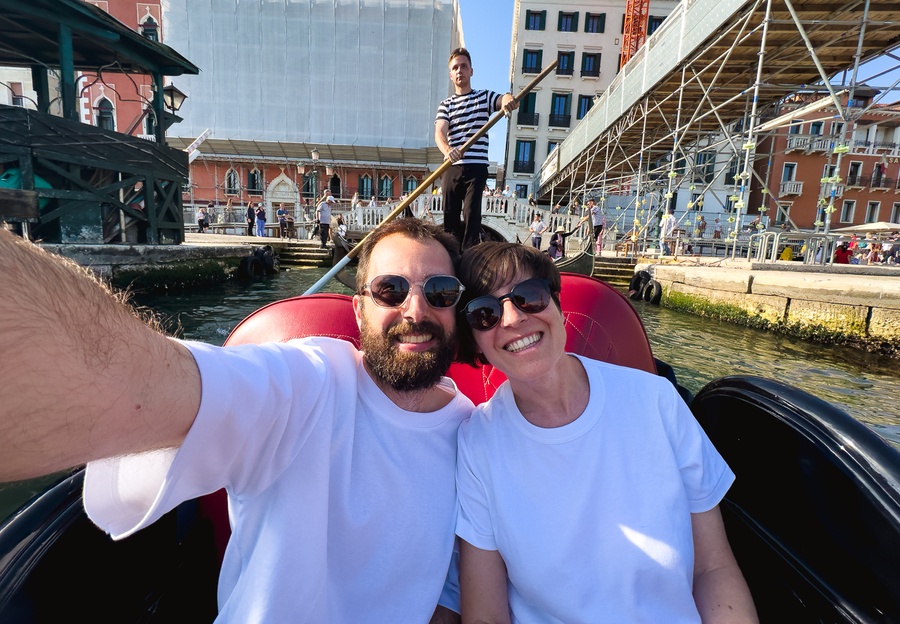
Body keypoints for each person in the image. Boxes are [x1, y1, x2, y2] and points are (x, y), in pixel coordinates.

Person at [0, 219, 474, 623]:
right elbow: (133, 384)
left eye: (440, 291)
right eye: (390, 290)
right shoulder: (307, 382)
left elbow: (451, 589)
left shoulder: (473, 433)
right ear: (359, 309)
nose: (416, 310)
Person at [453, 242, 758, 624]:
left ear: (557, 305)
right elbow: (487, 617)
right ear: (475, 343)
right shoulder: (477, 444)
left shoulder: (656, 401)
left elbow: (713, 569)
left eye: (529, 296)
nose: (513, 319)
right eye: (486, 313)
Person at [435, 47, 517, 250]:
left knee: (472, 214)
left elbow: (502, 99)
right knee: (449, 215)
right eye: (455, 67)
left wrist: (507, 100)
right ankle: (452, 256)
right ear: (451, 74)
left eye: (464, 66)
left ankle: (470, 255)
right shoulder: (446, 105)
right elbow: (440, 133)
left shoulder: (483, 97)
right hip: (452, 165)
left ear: (471, 70)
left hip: (476, 166)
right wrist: (448, 151)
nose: (460, 70)